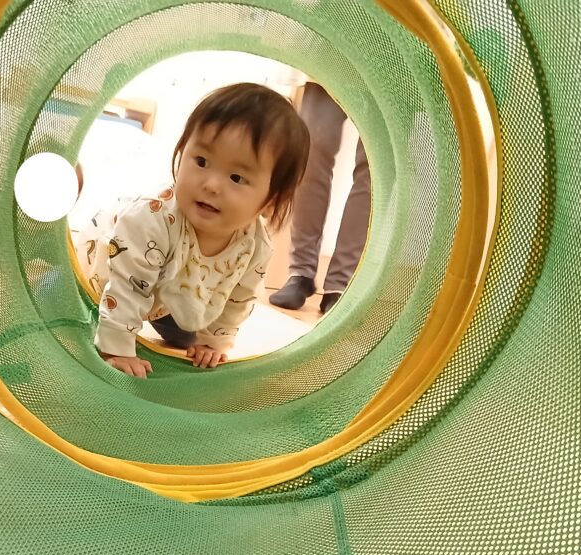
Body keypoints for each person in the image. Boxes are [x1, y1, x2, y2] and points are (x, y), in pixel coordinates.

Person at [84, 83, 310, 378]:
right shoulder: (150, 220)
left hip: (169, 295)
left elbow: (239, 298)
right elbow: (128, 285)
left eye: (236, 177)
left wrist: (214, 342)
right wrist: (117, 348)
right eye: (201, 162)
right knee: (70, 307)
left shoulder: (256, 245)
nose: (211, 185)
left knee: (187, 336)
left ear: (270, 201)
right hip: (108, 273)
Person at [269, 82, 371, 313]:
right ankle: (300, 272)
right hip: (341, 60)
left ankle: (341, 284)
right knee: (310, 146)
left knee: (373, 169)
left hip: (397, 68)